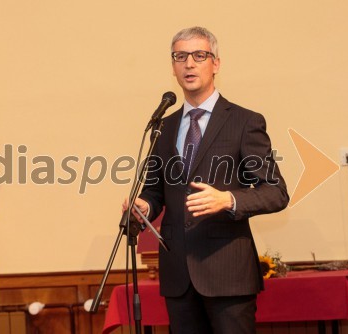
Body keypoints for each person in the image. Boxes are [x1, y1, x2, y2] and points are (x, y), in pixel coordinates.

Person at [123, 27, 289, 333]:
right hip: (177, 274)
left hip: (228, 274)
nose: (189, 64)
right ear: (172, 67)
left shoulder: (244, 122)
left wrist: (228, 199)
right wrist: (144, 204)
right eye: (180, 56)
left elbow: (276, 192)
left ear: (216, 63)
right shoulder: (164, 127)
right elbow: (154, 189)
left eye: (199, 55)